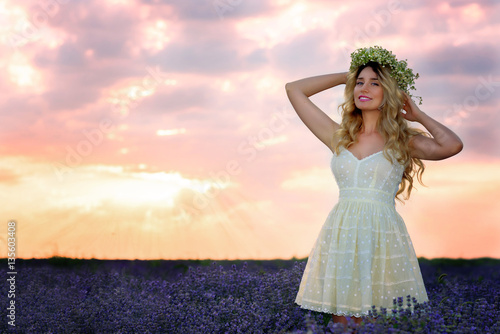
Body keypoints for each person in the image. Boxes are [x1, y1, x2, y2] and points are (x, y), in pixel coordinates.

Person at [285, 46, 463, 327]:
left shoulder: (402, 141)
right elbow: (294, 89)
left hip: (381, 234)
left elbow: (451, 145)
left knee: (372, 324)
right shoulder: (338, 136)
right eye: (359, 83)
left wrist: (418, 115)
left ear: (389, 93)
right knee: (342, 324)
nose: (363, 88)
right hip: (342, 232)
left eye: (375, 83)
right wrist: (349, 74)